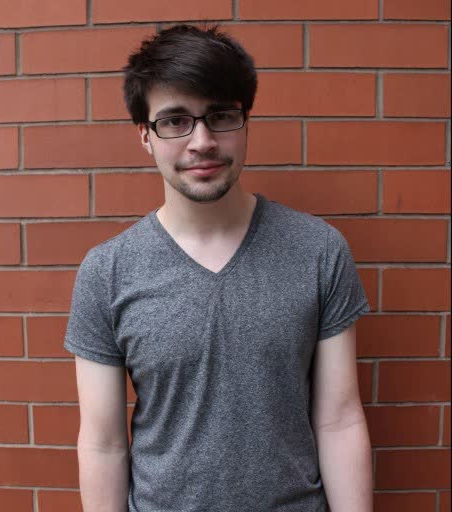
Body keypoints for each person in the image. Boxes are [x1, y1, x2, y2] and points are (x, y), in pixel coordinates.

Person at [64, 23, 374, 512]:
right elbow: (103, 445)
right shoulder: (107, 272)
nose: (202, 141)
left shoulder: (318, 250)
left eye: (221, 116)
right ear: (145, 136)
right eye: (175, 120)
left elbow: (339, 419)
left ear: (245, 122)